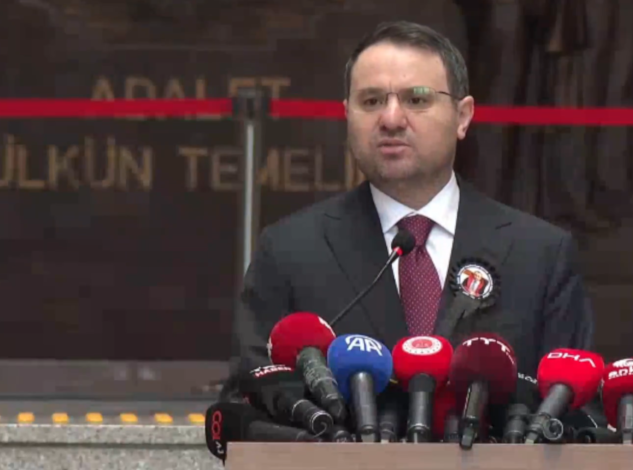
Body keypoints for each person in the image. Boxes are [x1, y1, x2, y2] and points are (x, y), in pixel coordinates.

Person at [227, 20, 594, 393]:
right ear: (347, 114)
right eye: (371, 101)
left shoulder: (540, 255)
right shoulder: (290, 251)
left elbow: (578, 410)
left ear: (462, 117)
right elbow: (248, 399)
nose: (390, 119)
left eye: (416, 99)